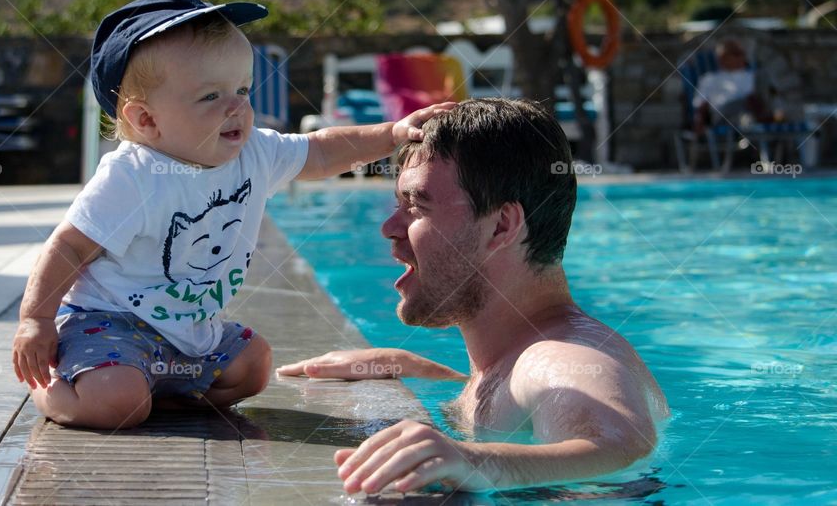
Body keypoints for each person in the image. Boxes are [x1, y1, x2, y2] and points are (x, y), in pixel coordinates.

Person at [10, 0, 453, 429]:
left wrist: (392, 132)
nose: (238, 106)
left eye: (242, 89)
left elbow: (320, 153)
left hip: (188, 331)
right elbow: (68, 247)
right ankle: (53, 385)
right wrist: (36, 320)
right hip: (109, 324)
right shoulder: (132, 177)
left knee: (252, 366)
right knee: (114, 406)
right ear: (147, 120)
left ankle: (158, 391)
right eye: (210, 97)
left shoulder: (254, 151)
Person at [277, 98, 670, 493]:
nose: (389, 227)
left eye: (416, 206)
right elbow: (517, 402)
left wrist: (478, 461)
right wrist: (419, 371)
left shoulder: (562, 356)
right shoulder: (513, 359)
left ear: (501, 226)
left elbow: (618, 447)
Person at [693, 38, 772, 134]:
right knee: (749, 102)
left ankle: (759, 129)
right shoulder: (710, 79)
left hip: (753, 111)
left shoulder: (754, 75)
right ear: (722, 58)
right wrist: (699, 124)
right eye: (735, 54)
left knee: (756, 103)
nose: (740, 57)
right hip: (723, 116)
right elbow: (701, 105)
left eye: (741, 53)